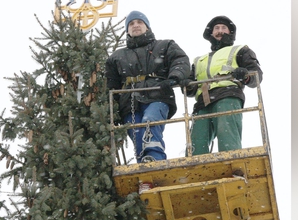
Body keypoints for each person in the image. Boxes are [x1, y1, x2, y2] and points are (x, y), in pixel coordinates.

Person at [105, 10, 190, 163]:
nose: (135, 26)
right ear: (127, 30)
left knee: (150, 121)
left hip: (157, 93)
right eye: (131, 24)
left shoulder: (165, 45)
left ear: (147, 27)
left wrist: (174, 78)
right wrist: (113, 109)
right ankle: (143, 166)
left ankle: (155, 158)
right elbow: (111, 84)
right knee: (135, 131)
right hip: (129, 101)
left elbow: (180, 61)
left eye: (139, 22)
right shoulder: (117, 57)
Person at [183, 15, 263, 155]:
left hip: (228, 95)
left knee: (227, 133)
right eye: (216, 28)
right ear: (211, 33)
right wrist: (187, 84)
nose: (220, 31)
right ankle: (194, 170)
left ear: (230, 33)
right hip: (203, 102)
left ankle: (232, 163)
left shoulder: (240, 50)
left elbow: (256, 76)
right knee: (196, 140)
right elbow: (190, 89)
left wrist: (244, 74)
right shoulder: (199, 60)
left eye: (224, 28)